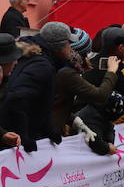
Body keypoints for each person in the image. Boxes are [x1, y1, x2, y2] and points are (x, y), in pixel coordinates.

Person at [0, 22, 77, 151]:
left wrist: (49, 130)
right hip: (16, 139)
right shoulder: (42, 66)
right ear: (59, 46)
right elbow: (17, 98)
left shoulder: (38, 58)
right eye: (69, 43)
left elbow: (41, 102)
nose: (71, 48)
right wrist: (24, 137)